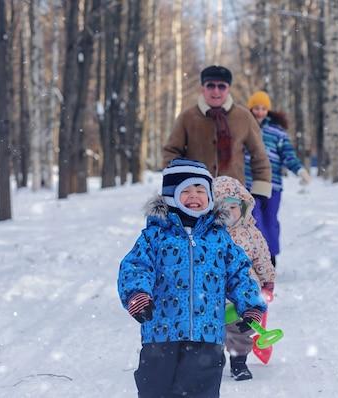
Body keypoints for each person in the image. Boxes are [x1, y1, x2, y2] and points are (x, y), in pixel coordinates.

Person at [117, 158, 267, 398]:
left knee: (202, 390)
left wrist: (250, 305)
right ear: (170, 196)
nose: (194, 196)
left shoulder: (219, 238)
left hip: (206, 335)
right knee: (155, 388)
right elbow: (135, 266)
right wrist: (138, 295)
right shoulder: (154, 236)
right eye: (185, 190)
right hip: (161, 333)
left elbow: (239, 273)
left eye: (200, 190)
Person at [162, 65, 273, 200]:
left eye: (221, 86)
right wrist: (179, 183)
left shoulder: (243, 117)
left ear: (228, 89)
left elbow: (259, 155)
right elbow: (171, 152)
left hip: (234, 196)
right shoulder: (188, 117)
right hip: (196, 196)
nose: (216, 91)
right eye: (210, 86)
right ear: (202, 88)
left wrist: (260, 190)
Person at [213, 176, 276, 381]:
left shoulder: (251, 233)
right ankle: (213, 360)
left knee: (241, 330)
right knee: (213, 329)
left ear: (243, 206)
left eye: (234, 206)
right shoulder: (209, 235)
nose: (230, 212)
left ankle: (239, 362)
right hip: (215, 294)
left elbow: (263, 259)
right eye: (223, 207)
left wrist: (267, 281)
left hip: (244, 294)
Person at [245, 90, 311, 267]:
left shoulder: (276, 132)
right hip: (249, 185)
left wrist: (300, 171)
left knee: (270, 222)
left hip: (272, 185)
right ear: (250, 108)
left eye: (263, 108)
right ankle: (257, 258)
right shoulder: (243, 127)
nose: (259, 112)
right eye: (256, 108)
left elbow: (288, 155)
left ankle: (271, 257)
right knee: (254, 220)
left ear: (268, 110)